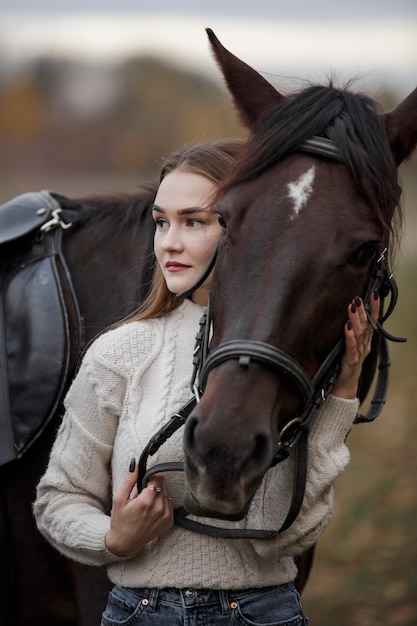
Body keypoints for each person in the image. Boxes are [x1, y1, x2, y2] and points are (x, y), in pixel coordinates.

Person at [34, 138, 379, 626]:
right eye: (161, 222)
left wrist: (342, 394)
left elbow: (291, 537)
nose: (168, 242)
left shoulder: (285, 359)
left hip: (263, 613)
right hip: (137, 614)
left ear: (246, 227)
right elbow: (56, 500)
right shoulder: (120, 353)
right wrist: (113, 538)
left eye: (193, 221)